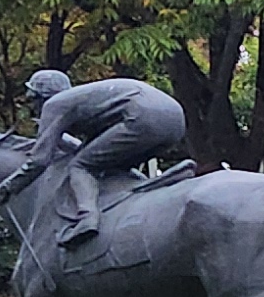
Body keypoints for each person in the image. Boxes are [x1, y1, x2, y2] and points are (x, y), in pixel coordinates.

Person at [30, 70, 188, 246]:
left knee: (79, 167)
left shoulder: (54, 104)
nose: (32, 105)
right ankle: (154, 188)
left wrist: (7, 187)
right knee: (112, 166)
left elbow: (39, 160)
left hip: (142, 117)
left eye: (32, 99)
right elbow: (89, 148)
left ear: (42, 95)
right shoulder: (91, 102)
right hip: (176, 121)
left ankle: (87, 218)